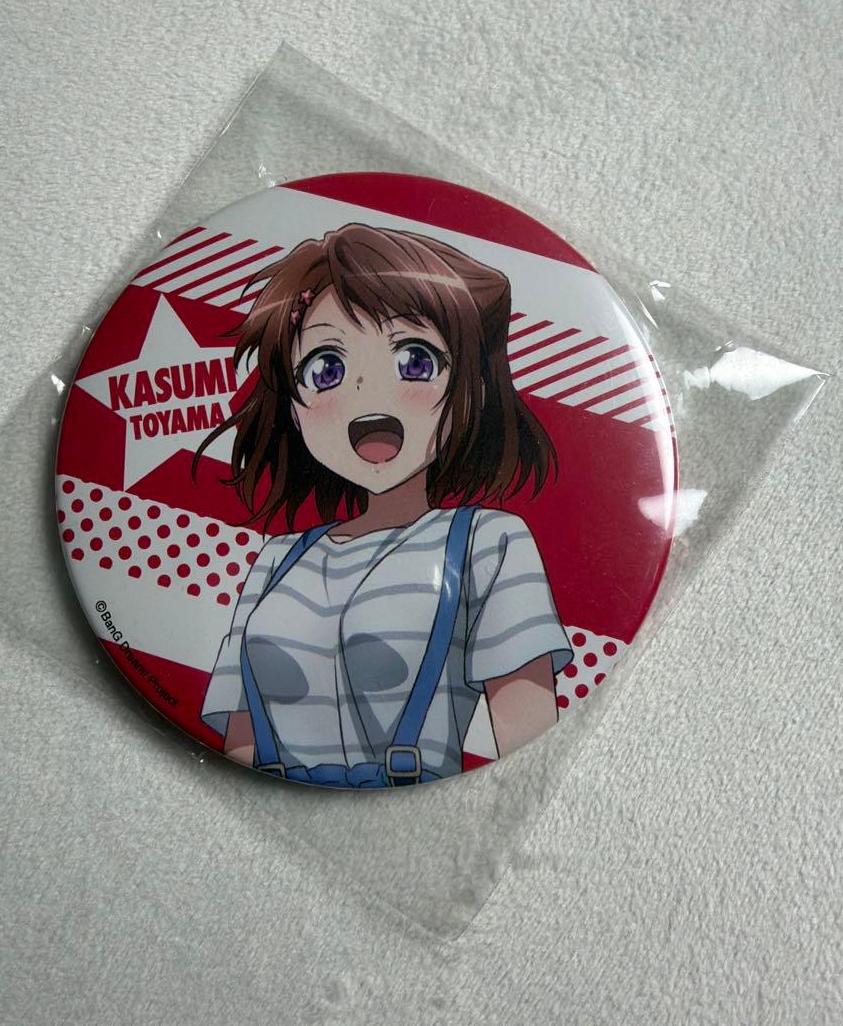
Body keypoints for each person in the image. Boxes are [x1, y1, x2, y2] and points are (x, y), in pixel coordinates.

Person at [195, 223, 572, 788]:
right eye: (326, 369)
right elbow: (240, 743)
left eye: (415, 360)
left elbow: (527, 751)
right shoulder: (276, 561)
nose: (369, 399)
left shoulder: (487, 544)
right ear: (293, 406)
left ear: (471, 387)